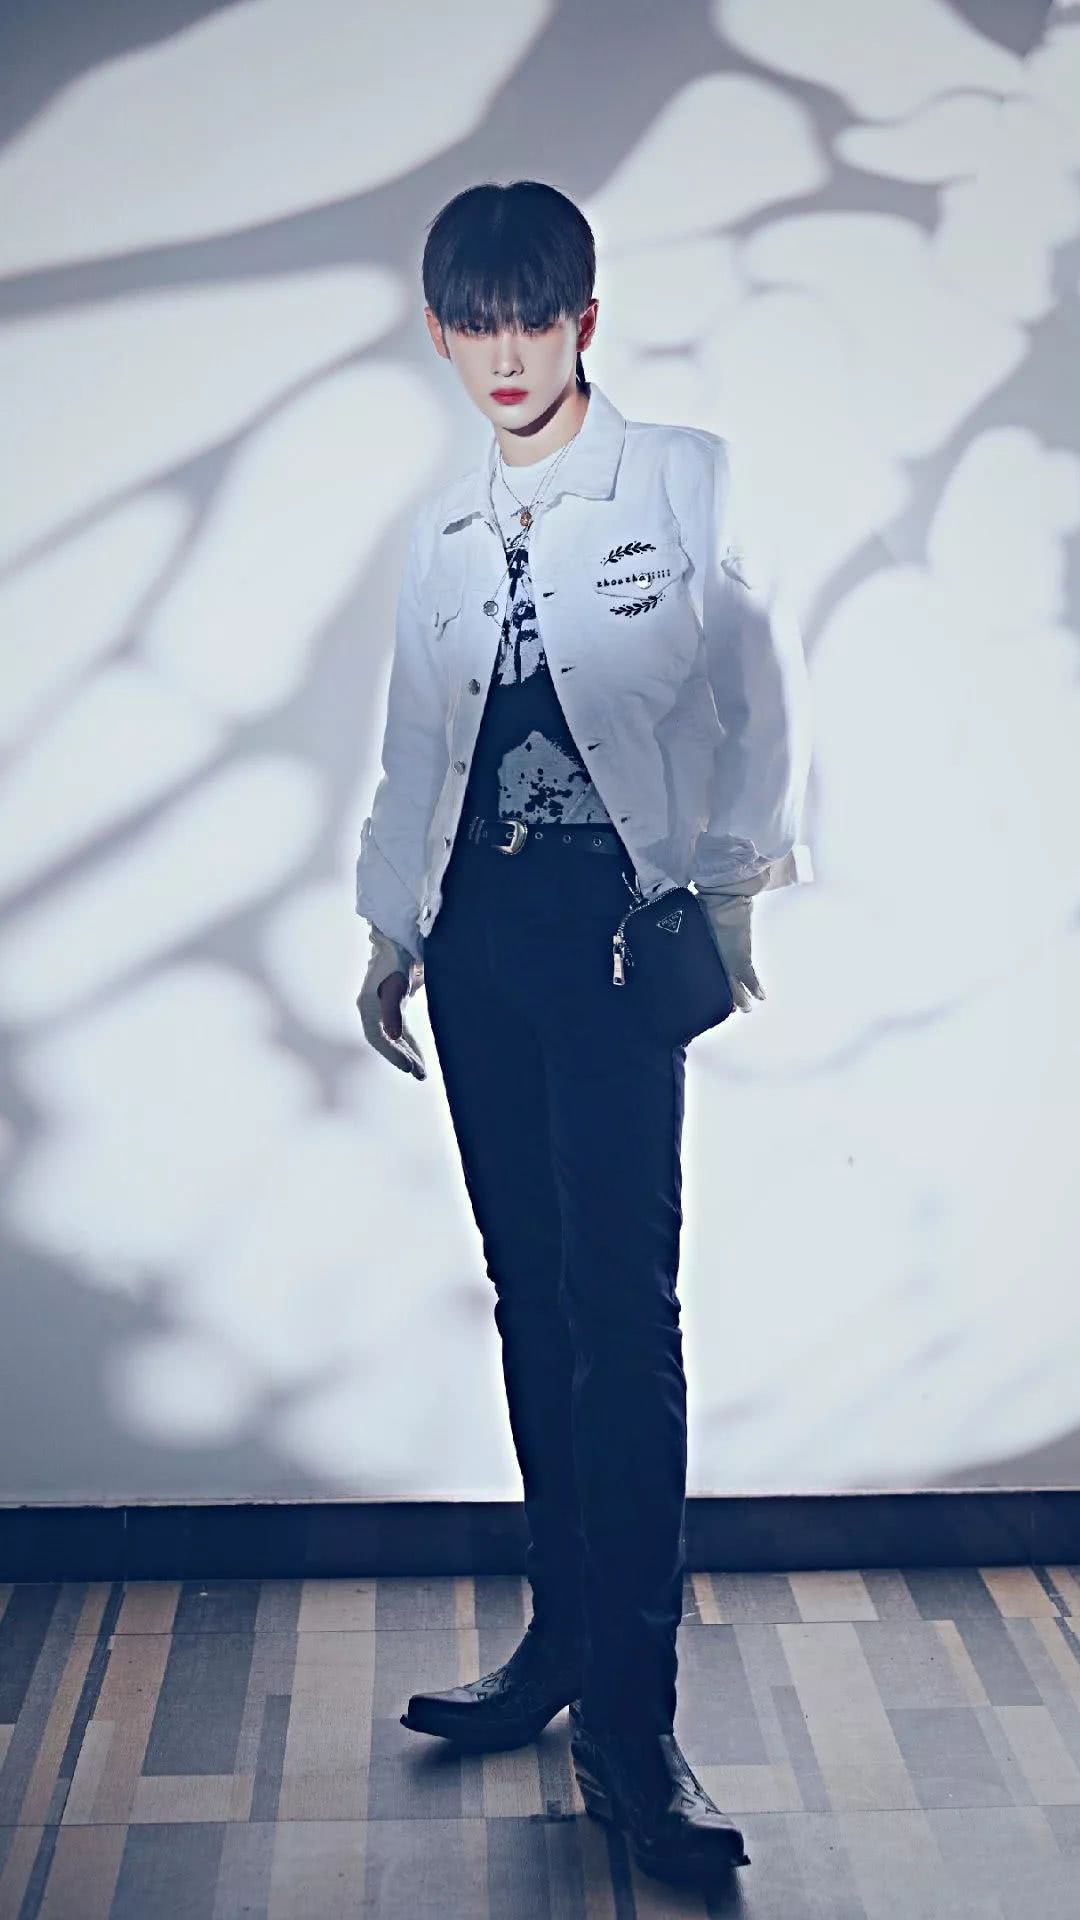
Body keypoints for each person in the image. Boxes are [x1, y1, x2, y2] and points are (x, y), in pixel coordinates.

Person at [354, 179, 812, 1886]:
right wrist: (391, 927)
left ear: (584, 323)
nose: (508, 354)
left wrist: (731, 887)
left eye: (534, 320)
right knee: (530, 1295)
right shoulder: (441, 530)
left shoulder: (681, 477)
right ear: (441, 335)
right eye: (477, 324)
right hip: (478, 949)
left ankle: (634, 1719)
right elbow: (417, 736)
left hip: (619, 947)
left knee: (625, 1313)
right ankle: (561, 1640)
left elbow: (762, 695)